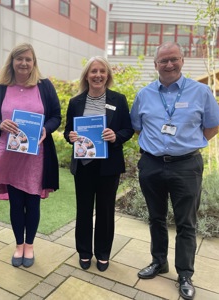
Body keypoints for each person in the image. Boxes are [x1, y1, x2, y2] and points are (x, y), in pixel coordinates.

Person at [130, 41, 219, 300]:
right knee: (156, 218)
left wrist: (186, 145)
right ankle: (159, 261)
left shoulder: (201, 92)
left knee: (186, 223)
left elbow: (213, 127)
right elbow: (138, 127)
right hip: (151, 165)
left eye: (174, 59)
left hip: (186, 165)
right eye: (164, 60)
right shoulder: (144, 94)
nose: (169, 64)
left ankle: (185, 274)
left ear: (182, 60)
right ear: (156, 65)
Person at [0, 43, 61, 268]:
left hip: (37, 155)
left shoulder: (44, 86)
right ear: (12, 61)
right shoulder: (0, 87)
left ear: (34, 62)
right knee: (16, 203)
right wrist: (0, 123)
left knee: (33, 202)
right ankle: (18, 244)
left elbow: (56, 116)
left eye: (28, 59)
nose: (24, 63)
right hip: (10, 154)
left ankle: (30, 245)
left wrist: (46, 129)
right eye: (19, 59)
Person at [64, 56, 134, 272]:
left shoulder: (118, 99)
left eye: (102, 71)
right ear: (87, 75)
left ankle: (103, 253)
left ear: (108, 75)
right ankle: (84, 252)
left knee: (105, 211)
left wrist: (116, 136)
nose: (98, 75)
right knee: (84, 210)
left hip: (108, 166)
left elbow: (128, 129)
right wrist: (71, 136)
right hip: (84, 165)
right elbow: (68, 131)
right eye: (93, 71)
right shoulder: (76, 102)